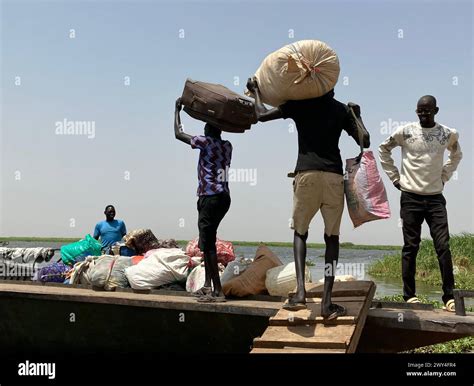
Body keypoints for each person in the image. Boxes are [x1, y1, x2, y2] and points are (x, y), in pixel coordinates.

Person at [246, 78, 370, 319]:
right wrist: (358, 116)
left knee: (300, 233)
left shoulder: (299, 104)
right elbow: (365, 141)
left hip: (307, 177)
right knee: (332, 239)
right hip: (334, 179)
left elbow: (260, 115)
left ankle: (301, 292)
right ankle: (326, 303)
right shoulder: (342, 109)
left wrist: (256, 91)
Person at [379, 95, 462, 312]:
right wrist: (395, 178)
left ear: (436, 110)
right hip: (410, 197)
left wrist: (444, 176)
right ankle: (409, 296)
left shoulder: (447, 134)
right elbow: (383, 149)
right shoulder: (405, 132)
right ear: (416, 111)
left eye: (427, 110)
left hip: (435, 198)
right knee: (411, 247)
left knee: (443, 246)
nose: (423, 114)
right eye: (420, 111)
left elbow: (457, 154)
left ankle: (449, 297)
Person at [174, 97, 232, 303]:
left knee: (208, 245)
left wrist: (177, 111)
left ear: (208, 132)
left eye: (206, 128)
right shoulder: (227, 146)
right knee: (207, 240)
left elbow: (178, 134)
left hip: (209, 196)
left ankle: (218, 292)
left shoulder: (205, 142)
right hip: (224, 198)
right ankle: (208, 285)